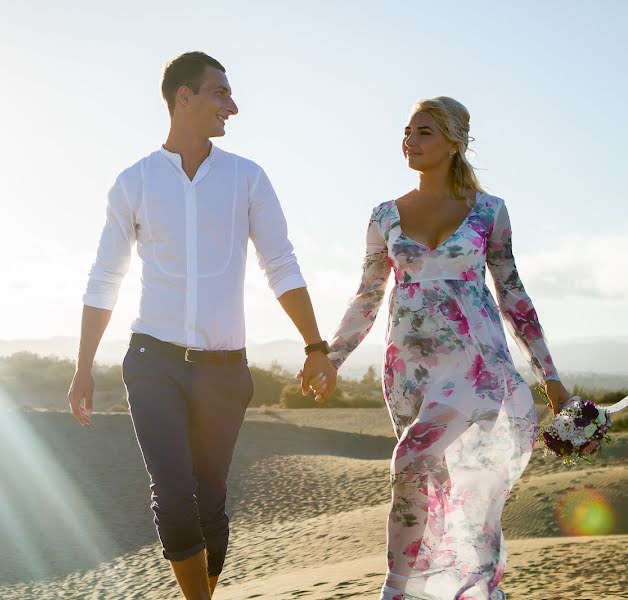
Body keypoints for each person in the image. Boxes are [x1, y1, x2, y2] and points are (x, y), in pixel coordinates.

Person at [67, 51, 335, 600]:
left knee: (210, 499)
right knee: (172, 491)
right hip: (153, 363)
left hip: (223, 370)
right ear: (182, 97)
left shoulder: (247, 178)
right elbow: (104, 278)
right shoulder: (133, 183)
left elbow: (280, 264)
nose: (232, 107)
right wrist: (82, 366)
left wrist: (314, 345)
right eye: (220, 93)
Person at [311, 97, 570, 599]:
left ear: (455, 142)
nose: (410, 139)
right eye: (407, 130)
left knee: (409, 459)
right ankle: (462, 590)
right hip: (408, 370)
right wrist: (331, 356)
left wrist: (549, 374)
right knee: (430, 484)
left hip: (477, 365)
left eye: (424, 131)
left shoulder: (490, 211)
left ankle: (396, 590)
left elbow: (513, 293)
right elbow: (367, 295)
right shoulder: (384, 214)